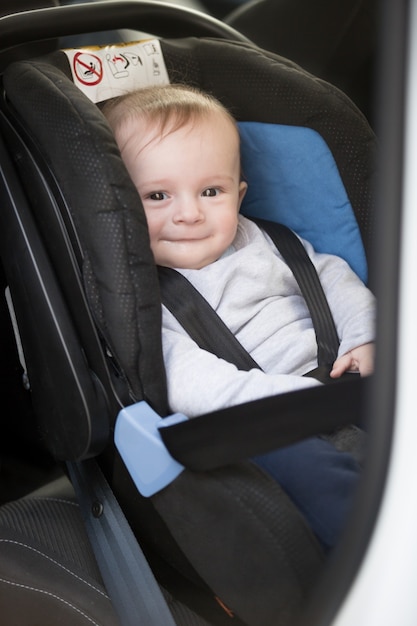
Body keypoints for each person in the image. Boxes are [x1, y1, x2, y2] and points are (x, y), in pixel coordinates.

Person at [103, 84, 376, 550]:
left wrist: (365, 337)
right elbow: (191, 382)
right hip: (258, 419)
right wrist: (303, 399)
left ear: (239, 193)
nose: (189, 214)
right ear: (121, 207)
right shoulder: (139, 296)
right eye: (157, 196)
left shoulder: (270, 240)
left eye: (211, 191)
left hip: (344, 379)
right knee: (308, 471)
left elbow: (333, 278)